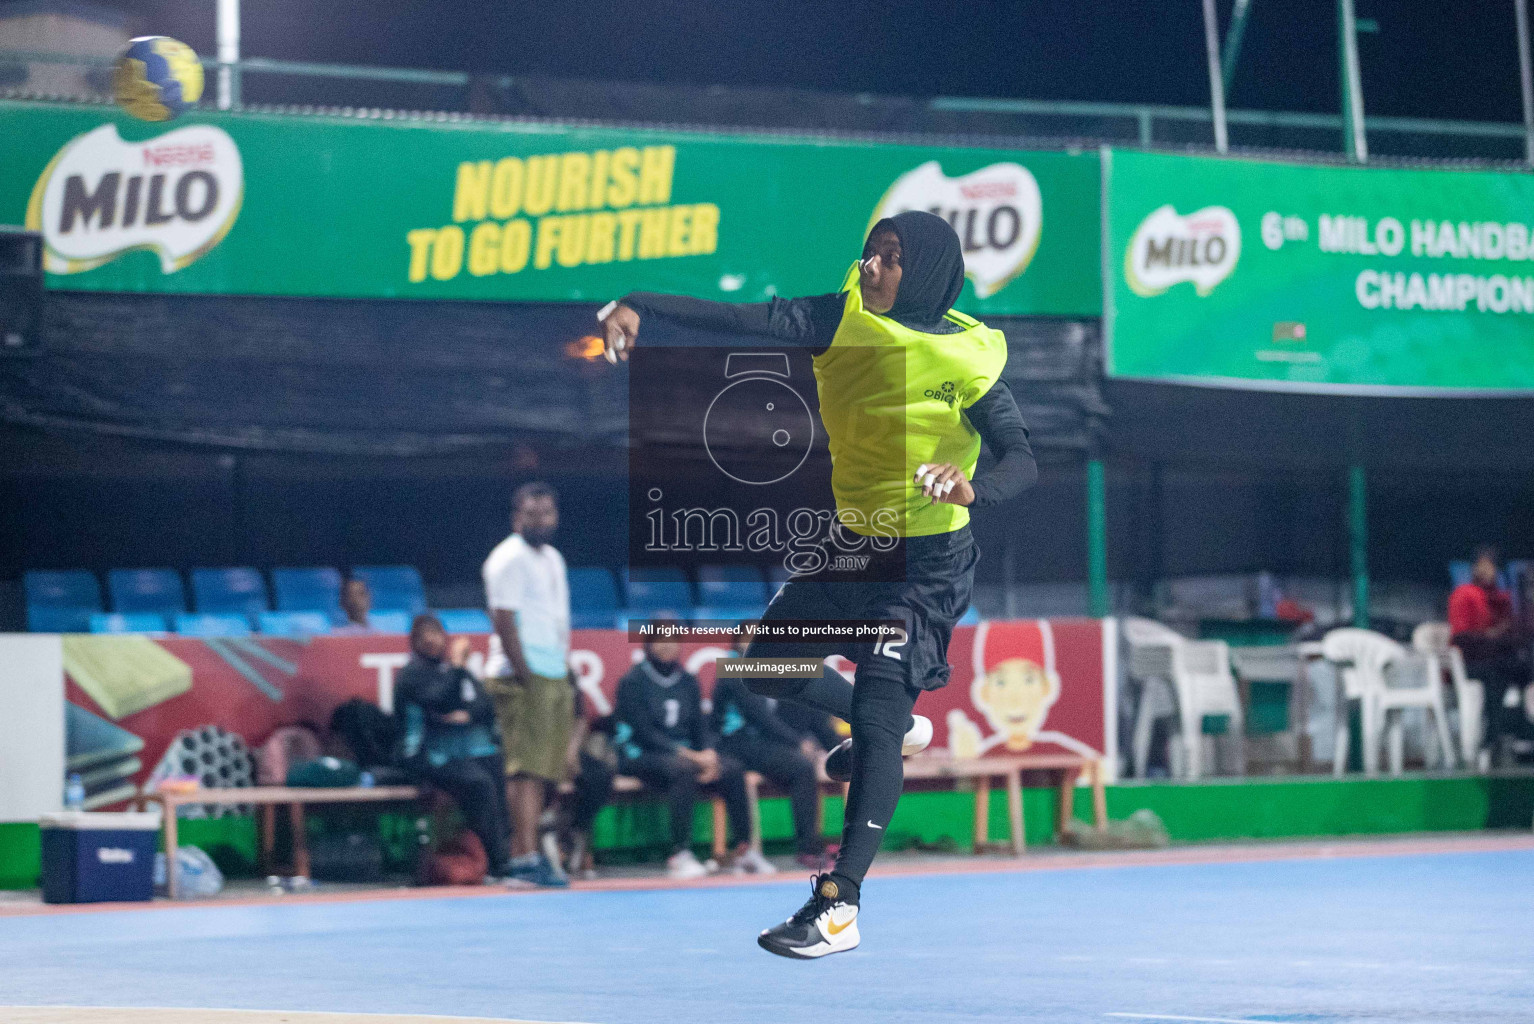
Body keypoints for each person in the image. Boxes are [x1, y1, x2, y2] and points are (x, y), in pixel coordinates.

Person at [599, 210, 1038, 957]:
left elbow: (1022, 460)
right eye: (870, 252)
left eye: (892, 259)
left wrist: (971, 489)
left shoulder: (970, 357)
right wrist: (637, 300)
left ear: (926, 271)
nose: (872, 267)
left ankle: (839, 905)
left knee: (873, 712)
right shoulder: (842, 318)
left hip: (926, 566)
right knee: (766, 667)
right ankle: (897, 730)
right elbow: (738, 316)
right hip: (853, 546)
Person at [483, 482, 573, 888]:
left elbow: (553, 619)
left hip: (553, 670)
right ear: (516, 516)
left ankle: (534, 852)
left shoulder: (553, 558)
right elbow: (503, 619)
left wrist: (563, 667)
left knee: (544, 772)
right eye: (532, 513)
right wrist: (524, 672)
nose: (541, 520)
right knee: (523, 772)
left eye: (548, 513)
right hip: (522, 675)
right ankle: (523, 857)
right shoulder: (507, 559)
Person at [612, 635, 762, 879]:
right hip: (639, 754)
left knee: (732, 768)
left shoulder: (687, 680)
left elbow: (699, 726)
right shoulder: (633, 681)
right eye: (659, 639)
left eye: (672, 639)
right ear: (648, 645)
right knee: (683, 769)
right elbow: (644, 733)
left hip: (684, 757)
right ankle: (680, 853)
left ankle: (744, 852)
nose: (666, 645)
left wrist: (709, 753)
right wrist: (692, 757)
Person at [394, 614, 510, 882]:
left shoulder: (450, 672)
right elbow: (441, 701)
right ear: (414, 642)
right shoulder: (411, 675)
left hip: (458, 753)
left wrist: (467, 715)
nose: (432, 640)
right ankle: (497, 864)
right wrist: (458, 669)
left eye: (436, 633)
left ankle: (507, 855)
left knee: (496, 768)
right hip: (424, 755)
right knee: (479, 783)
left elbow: (484, 705)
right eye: (424, 635)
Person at [713, 627, 831, 869]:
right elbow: (760, 717)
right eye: (748, 639)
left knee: (801, 768)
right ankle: (750, 849)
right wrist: (798, 742)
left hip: (760, 744)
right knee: (799, 764)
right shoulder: (733, 668)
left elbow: (811, 713)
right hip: (734, 742)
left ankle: (808, 848)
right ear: (737, 644)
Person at [1449, 546, 1532, 765]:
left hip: (1497, 660)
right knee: (1496, 674)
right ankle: (1493, 737)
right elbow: (1461, 637)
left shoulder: (1500, 598)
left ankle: (1522, 731)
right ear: (1475, 567)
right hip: (1468, 664)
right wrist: (1491, 636)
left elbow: (1512, 632)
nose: (1488, 572)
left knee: (1524, 668)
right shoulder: (1464, 594)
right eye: (1483, 566)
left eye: (1492, 566)